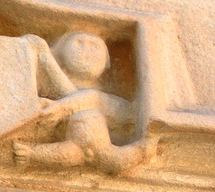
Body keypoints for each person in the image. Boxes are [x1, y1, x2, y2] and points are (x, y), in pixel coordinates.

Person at [13, 31, 152, 174]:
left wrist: (61, 106)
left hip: (102, 147)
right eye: (79, 43)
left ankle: (32, 153)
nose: (87, 49)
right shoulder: (65, 89)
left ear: (107, 62)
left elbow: (97, 100)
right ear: (61, 54)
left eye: (95, 46)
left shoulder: (104, 100)